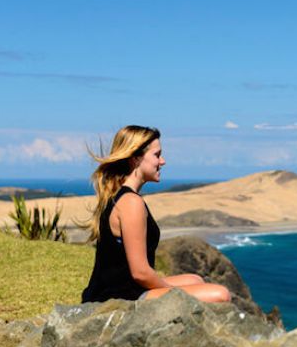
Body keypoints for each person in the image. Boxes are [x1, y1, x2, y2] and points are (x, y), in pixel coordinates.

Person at [81, 125, 231, 303]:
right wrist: (176, 292)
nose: (163, 161)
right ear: (135, 159)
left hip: (121, 288)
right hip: (119, 297)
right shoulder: (131, 203)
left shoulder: (121, 195)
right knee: (221, 295)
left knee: (195, 280)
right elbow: (140, 273)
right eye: (157, 155)